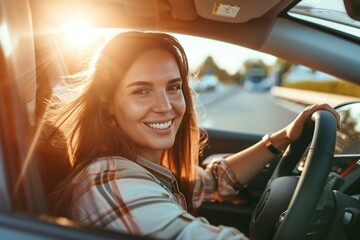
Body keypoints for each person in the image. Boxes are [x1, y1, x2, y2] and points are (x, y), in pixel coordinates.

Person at [44, 31, 340, 239]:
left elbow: (212, 181)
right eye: (141, 91)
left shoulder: (141, 169)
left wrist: (284, 137)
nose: (165, 107)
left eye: (173, 87)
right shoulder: (110, 181)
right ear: (109, 105)